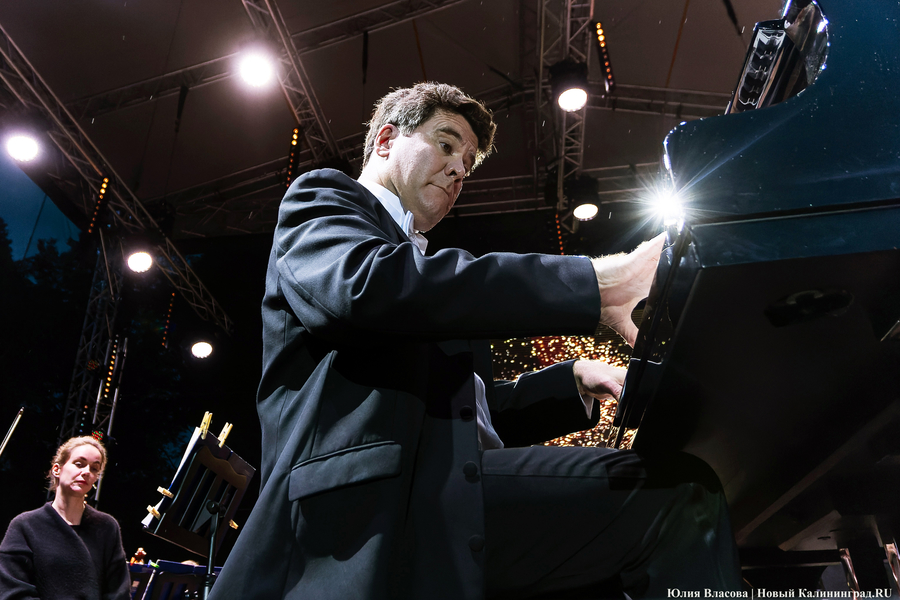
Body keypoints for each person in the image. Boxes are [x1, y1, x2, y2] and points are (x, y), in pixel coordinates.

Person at [209, 82, 741, 599]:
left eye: (468, 162)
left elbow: (467, 417)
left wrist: (572, 379)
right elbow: (363, 289)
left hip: (441, 492)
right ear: (387, 140)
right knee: (679, 496)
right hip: (371, 509)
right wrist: (598, 282)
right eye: (446, 145)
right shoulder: (325, 199)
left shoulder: (425, 279)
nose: (460, 169)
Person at [0, 436, 131, 600]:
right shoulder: (25, 525)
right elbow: (13, 592)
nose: (87, 472)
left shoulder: (107, 527)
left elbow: (118, 593)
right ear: (57, 469)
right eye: (79, 464)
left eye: (94, 469)